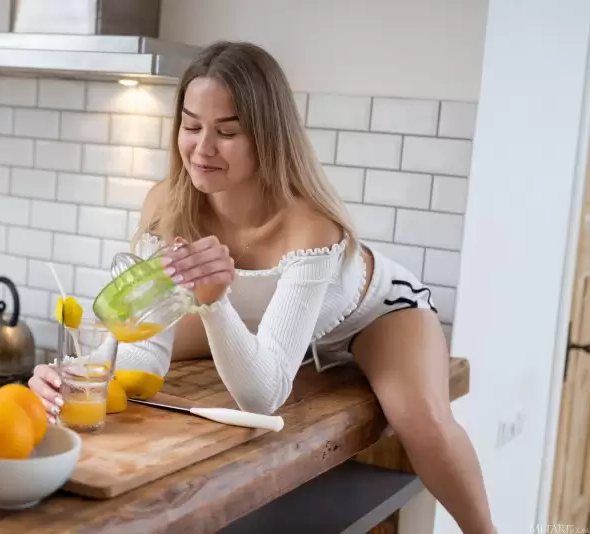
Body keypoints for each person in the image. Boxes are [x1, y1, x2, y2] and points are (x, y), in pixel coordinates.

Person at [29, 41, 494, 532]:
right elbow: (143, 354)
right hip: (252, 320)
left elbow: (263, 396)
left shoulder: (310, 226)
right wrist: (69, 375)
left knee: (422, 422)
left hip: (372, 315)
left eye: (227, 132)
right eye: (191, 126)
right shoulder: (167, 205)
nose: (203, 149)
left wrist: (213, 304)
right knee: (113, 352)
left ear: (268, 137)